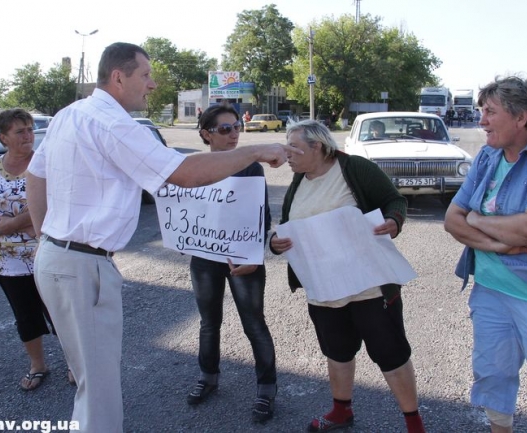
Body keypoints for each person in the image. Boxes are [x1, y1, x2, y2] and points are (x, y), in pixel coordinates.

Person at [25, 42, 296, 433]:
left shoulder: (70, 114)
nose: (152, 84)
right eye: (146, 75)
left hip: (58, 258)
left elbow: (36, 175)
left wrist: (44, 239)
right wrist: (257, 151)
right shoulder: (113, 123)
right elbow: (183, 173)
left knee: (88, 382)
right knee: (99, 392)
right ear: (118, 77)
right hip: (82, 265)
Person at [269, 120, 426, 433]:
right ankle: (341, 411)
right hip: (324, 288)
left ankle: (414, 423)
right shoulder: (299, 181)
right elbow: (287, 225)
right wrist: (275, 242)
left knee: (391, 354)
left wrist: (394, 221)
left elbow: (394, 200)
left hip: (370, 286)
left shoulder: (354, 168)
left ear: (317, 146)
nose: (288, 154)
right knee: (337, 352)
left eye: (294, 148)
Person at [444, 76, 527, 433]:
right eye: (482, 111)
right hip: (490, 290)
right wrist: (502, 244)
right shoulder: (488, 155)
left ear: (521, 117)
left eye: (490, 112)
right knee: (493, 376)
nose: (481, 121)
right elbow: (452, 220)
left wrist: (478, 219)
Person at [186, 103, 277, 423]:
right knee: (209, 323)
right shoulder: (194, 167)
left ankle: (266, 389)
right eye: (225, 129)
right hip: (204, 257)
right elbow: (182, 208)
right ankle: (207, 377)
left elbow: (262, 217)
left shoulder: (250, 168)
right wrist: (183, 238)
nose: (234, 134)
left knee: (254, 324)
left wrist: (254, 257)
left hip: (243, 258)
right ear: (206, 134)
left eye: (237, 127)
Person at [0, 109, 62, 391]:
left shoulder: (45, 166)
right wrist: (15, 222)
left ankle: (75, 363)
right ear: (4, 138)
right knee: (24, 316)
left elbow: (55, 204)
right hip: (7, 261)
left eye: (30, 130)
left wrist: (10, 223)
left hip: (45, 256)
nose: (28, 136)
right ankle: (38, 365)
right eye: (20, 131)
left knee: (60, 313)